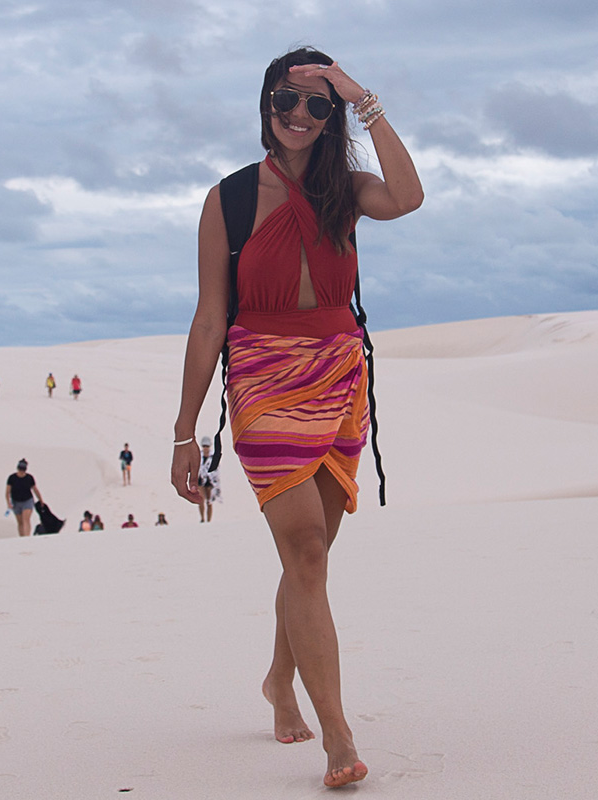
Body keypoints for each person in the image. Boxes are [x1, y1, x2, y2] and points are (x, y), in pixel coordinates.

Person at [169, 47, 421, 789]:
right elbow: (210, 314)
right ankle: (337, 732)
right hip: (262, 379)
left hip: (341, 376)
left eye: (317, 104)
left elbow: (408, 198)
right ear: (265, 105)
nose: (300, 116)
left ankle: (281, 680)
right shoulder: (231, 199)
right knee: (306, 549)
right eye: (287, 100)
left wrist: (362, 97)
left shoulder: (348, 191)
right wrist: (185, 429)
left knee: (307, 557)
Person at [5, 459, 45, 537]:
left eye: (23, 470)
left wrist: (41, 500)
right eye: (20, 469)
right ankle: (22, 537)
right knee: (20, 522)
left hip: (28, 501)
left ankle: (27, 537)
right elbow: (7, 492)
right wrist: (8, 503)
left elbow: (35, 490)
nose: (21, 472)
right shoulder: (12, 478)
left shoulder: (29, 478)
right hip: (16, 502)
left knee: (26, 519)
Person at [196, 439, 219, 523]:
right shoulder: (199, 455)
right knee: (201, 499)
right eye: (204, 446)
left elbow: (216, 468)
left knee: (209, 501)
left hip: (210, 480)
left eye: (207, 446)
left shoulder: (213, 456)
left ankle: (209, 520)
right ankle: (202, 518)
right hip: (201, 479)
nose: (205, 448)